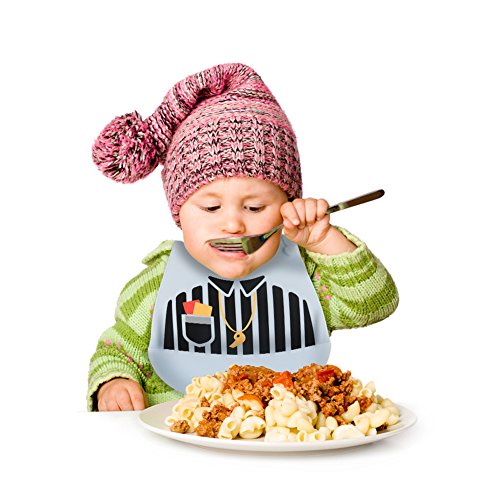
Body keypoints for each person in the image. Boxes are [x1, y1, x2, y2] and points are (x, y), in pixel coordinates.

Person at [87, 63, 398, 412]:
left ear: (287, 207)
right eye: (211, 207)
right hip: (174, 438)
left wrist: (324, 241)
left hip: (285, 438)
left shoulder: (309, 276)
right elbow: (118, 350)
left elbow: (375, 303)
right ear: (178, 213)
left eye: (254, 207)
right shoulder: (157, 286)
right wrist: (115, 381)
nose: (233, 225)